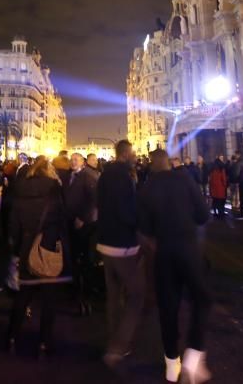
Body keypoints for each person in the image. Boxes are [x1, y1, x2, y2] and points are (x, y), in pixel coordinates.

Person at [138, 148, 211, 383]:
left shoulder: (147, 187)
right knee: (202, 299)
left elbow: (145, 228)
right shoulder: (184, 179)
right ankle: (194, 354)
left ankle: (171, 363)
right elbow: (203, 214)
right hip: (188, 248)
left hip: (164, 253)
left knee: (167, 307)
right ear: (169, 163)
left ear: (151, 165)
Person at [7, 155, 71, 357]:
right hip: (48, 247)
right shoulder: (54, 192)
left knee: (23, 296)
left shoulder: (19, 191)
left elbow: (12, 227)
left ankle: (12, 336)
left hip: (26, 248)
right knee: (49, 300)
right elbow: (63, 223)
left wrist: (17, 250)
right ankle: (44, 341)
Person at [95, 140, 144, 367]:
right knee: (136, 295)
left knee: (113, 296)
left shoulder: (105, 175)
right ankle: (118, 345)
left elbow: (100, 204)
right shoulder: (124, 177)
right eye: (132, 151)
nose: (135, 155)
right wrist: (138, 224)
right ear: (125, 153)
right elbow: (127, 211)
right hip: (122, 245)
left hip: (104, 242)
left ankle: (111, 340)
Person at [65, 152, 99, 316]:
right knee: (74, 256)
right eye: (71, 160)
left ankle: (86, 293)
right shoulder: (69, 176)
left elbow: (93, 200)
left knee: (86, 258)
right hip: (71, 222)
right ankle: (76, 287)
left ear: (83, 162)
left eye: (76, 160)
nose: (73, 162)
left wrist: (83, 219)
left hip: (84, 224)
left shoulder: (87, 176)